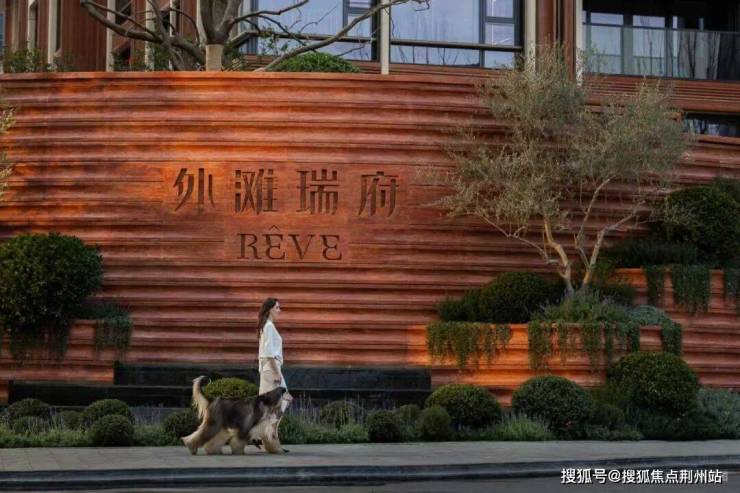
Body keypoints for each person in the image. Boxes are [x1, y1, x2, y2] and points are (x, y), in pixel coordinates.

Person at [256, 297, 292, 410]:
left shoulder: (266, 325)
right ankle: (271, 422)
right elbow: (268, 353)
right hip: (271, 368)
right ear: (270, 310)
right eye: (277, 308)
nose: (279, 310)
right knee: (282, 401)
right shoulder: (269, 326)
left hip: (268, 368)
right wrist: (276, 373)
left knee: (269, 404)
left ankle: (270, 422)